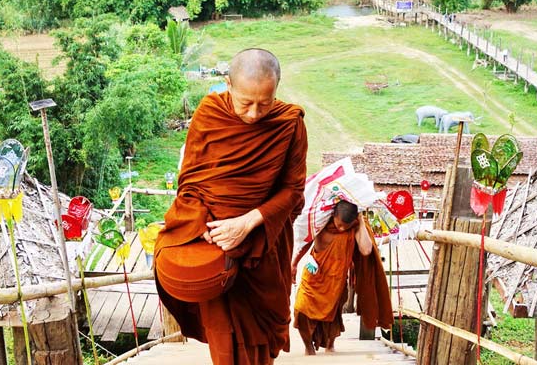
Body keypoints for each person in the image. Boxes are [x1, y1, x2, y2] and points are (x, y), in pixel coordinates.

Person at [154, 48, 308, 365]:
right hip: (216, 249)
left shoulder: (289, 123)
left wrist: (247, 222)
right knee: (225, 345)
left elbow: (293, 189)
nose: (253, 114)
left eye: (264, 103)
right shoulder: (210, 114)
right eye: (245, 103)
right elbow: (191, 183)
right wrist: (202, 228)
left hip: (262, 248)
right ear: (228, 84)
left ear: (277, 88)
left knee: (262, 343)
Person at [291, 200, 392, 356]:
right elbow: (306, 241)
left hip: (337, 280)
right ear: (333, 216)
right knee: (301, 310)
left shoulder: (355, 227)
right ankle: (308, 348)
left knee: (333, 314)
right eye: (339, 225)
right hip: (313, 277)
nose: (342, 228)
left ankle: (330, 346)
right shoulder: (321, 220)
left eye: (346, 225)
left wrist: (360, 223)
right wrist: (294, 264)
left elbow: (366, 250)